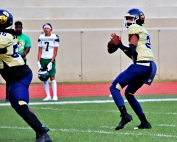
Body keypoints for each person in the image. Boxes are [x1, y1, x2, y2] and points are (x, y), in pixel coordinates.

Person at [0, 9, 52, 142]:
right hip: (13, 76)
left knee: (20, 104)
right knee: (18, 105)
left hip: (19, 75)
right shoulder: (7, 34)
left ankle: (43, 134)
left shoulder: (4, 36)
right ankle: (40, 127)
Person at [107, 8, 157, 130]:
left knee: (114, 87)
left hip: (142, 65)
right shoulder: (143, 30)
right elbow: (133, 54)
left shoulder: (133, 28)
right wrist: (120, 46)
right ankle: (144, 122)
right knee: (129, 93)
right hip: (150, 65)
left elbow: (132, 50)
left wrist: (118, 44)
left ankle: (124, 115)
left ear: (135, 19)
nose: (128, 21)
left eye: (130, 18)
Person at [5, 21, 31, 101]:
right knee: (9, 79)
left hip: (22, 61)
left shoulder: (25, 37)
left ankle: (23, 95)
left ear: (22, 28)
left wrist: (23, 55)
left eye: (19, 27)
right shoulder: (11, 36)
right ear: (14, 28)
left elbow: (27, 48)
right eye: (17, 27)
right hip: (11, 61)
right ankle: (8, 96)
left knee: (22, 78)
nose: (18, 29)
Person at [37, 23, 59, 101]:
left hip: (50, 59)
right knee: (44, 77)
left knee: (52, 76)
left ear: (51, 29)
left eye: (48, 28)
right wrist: (38, 61)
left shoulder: (55, 37)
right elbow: (39, 50)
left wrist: (51, 61)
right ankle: (48, 95)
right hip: (43, 59)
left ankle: (55, 95)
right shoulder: (41, 37)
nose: (46, 29)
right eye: (45, 28)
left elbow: (55, 51)